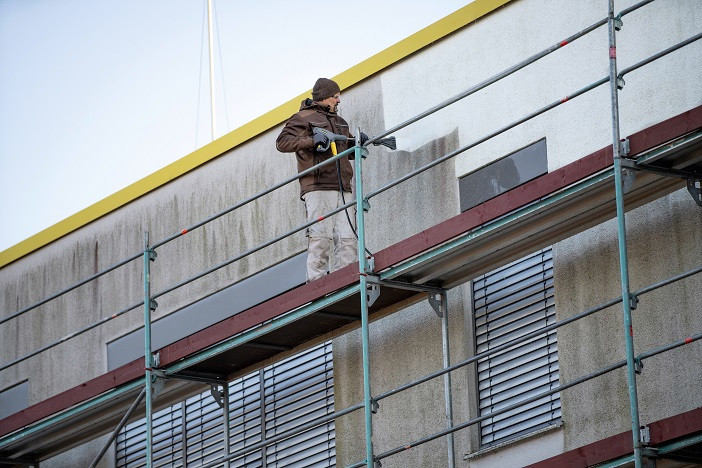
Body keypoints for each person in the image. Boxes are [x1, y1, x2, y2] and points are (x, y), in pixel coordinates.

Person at [276, 78, 359, 282]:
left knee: (348, 238)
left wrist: (358, 142)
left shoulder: (340, 122)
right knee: (321, 237)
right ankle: (317, 285)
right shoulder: (303, 117)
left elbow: (346, 149)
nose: (339, 101)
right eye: (336, 96)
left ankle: (345, 281)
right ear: (324, 97)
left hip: (343, 186)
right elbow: (282, 142)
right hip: (318, 185)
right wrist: (313, 141)